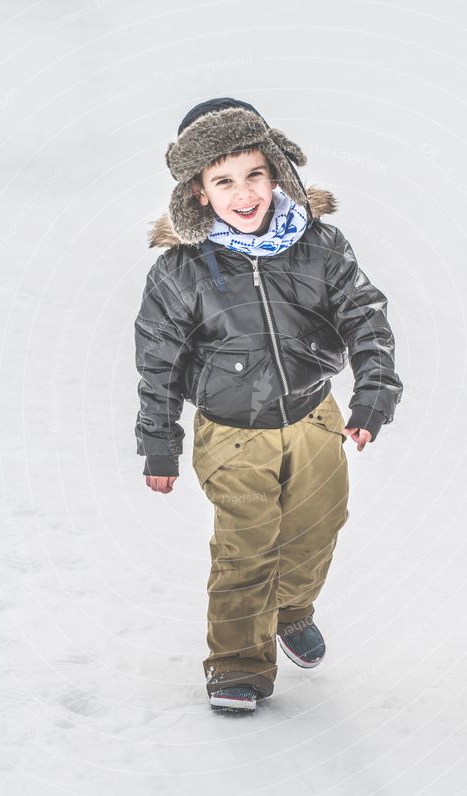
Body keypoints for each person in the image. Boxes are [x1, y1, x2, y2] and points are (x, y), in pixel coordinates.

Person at [134, 97, 403, 713]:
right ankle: (237, 664)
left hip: (314, 417)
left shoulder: (320, 245)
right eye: (223, 181)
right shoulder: (181, 271)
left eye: (254, 174)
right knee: (245, 547)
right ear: (199, 193)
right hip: (232, 434)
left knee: (315, 531)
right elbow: (157, 362)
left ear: (277, 171)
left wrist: (374, 392)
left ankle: (290, 609)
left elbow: (365, 316)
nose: (243, 193)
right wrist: (158, 441)